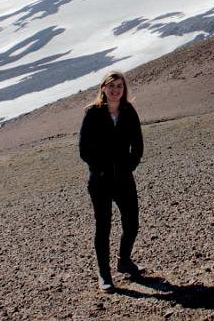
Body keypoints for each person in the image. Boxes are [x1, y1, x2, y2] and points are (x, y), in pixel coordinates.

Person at [79, 70, 144, 293]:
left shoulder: (128, 111)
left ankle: (124, 261)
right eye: (111, 86)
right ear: (103, 88)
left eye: (119, 86)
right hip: (100, 181)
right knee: (103, 227)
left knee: (132, 224)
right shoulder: (92, 113)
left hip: (124, 178)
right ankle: (104, 275)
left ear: (123, 89)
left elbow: (138, 143)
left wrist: (130, 166)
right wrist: (100, 171)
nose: (115, 90)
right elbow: (84, 149)